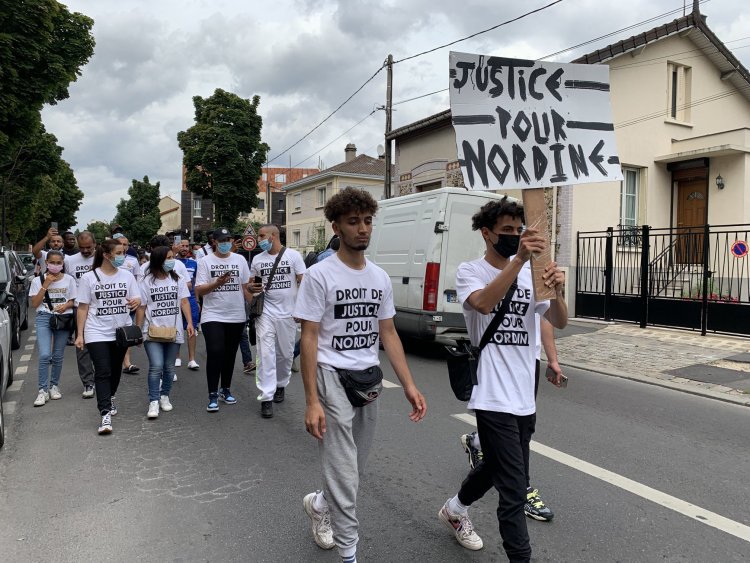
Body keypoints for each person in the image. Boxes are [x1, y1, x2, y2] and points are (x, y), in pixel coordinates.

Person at [295, 188, 427, 563]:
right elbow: (309, 336)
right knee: (345, 472)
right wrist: (311, 401)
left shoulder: (380, 277)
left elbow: (388, 333)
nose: (363, 229)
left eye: (367, 221)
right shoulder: (320, 275)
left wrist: (410, 385)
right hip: (329, 374)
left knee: (353, 467)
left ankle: (320, 504)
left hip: (366, 379)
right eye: (353, 222)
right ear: (336, 226)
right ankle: (349, 552)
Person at [437, 197, 567, 562]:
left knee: (497, 466)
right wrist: (521, 260)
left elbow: (558, 321)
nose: (514, 236)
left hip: (525, 392)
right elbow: (482, 304)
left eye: (518, 230)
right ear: (487, 234)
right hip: (491, 394)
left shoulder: (529, 271)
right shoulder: (470, 271)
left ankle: (455, 508)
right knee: (514, 489)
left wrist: (557, 289)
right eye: (506, 231)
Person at [459, 316, 565, 523]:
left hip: (527, 360)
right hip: (497, 357)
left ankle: (478, 442)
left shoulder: (537, 282)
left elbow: (545, 315)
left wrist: (552, 359)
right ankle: (522, 490)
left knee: (522, 429)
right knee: (517, 436)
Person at [75, 239, 141, 434]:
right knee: (102, 370)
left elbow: (137, 297)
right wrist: (80, 334)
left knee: (115, 369)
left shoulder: (127, 276)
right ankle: (105, 414)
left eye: (124, 252)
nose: (123, 256)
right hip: (96, 331)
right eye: (119, 253)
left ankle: (110, 396)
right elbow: (83, 307)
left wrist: (135, 302)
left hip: (121, 331)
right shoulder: (89, 278)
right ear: (106, 255)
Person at [249, 224, 306, 419]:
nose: (259, 239)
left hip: (288, 314)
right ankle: (266, 396)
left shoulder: (293, 256)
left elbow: (303, 281)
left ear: (274, 236)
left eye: (262, 235)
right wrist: (250, 288)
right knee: (265, 354)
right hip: (265, 313)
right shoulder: (257, 259)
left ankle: (281, 384)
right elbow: (252, 284)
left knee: (285, 354)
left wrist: (303, 308)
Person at [194, 227, 252, 412]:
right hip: (213, 314)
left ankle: (225, 389)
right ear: (214, 242)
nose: (226, 243)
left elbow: (245, 287)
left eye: (229, 240)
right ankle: (212, 393)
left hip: (236, 314)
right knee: (215, 351)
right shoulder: (205, 261)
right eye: (222, 240)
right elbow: (199, 290)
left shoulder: (240, 260)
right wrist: (216, 283)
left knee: (229, 354)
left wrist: (256, 302)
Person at [136, 246, 194, 419]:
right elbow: (142, 307)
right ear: (159, 260)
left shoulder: (177, 279)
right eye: (168, 257)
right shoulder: (146, 281)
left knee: (169, 368)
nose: (172, 260)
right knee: (156, 366)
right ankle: (153, 400)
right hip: (151, 331)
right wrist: (138, 330)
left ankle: (164, 396)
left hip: (173, 330)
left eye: (172, 257)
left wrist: (189, 322)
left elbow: (184, 302)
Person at [28, 250, 77, 406]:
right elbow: (34, 304)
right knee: (44, 355)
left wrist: (65, 306)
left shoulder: (69, 280)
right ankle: (42, 390)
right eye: (52, 262)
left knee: (57, 355)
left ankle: (54, 386)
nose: (55, 266)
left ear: (63, 263)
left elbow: (73, 301)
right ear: (46, 262)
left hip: (62, 318)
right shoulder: (37, 281)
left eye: (59, 263)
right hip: (44, 317)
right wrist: (46, 285)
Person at [64, 231, 97, 398]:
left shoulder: (102, 258)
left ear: (95, 245)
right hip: (79, 307)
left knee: (101, 344)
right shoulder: (69, 260)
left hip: (99, 307)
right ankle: (88, 382)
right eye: (82, 247)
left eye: (88, 248)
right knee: (82, 344)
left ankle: (102, 377)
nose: (85, 251)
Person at [113, 233, 142, 374]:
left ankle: (127, 363)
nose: (123, 247)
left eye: (126, 244)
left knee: (127, 331)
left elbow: (137, 281)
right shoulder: (109, 260)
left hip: (128, 303)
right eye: (120, 244)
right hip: (112, 304)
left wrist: (136, 298)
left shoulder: (133, 261)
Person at [174, 239, 200, 371]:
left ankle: (192, 359)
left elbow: (197, 283)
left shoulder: (194, 263)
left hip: (190, 298)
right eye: (181, 245)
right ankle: (177, 357)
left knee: (192, 328)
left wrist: (198, 300)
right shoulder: (172, 262)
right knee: (176, 328)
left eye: (186, 246)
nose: (184, 248)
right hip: (175, 298)